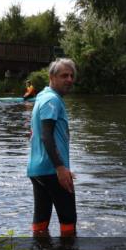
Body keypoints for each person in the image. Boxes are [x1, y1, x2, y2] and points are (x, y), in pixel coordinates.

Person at [27, 59, 78, 236]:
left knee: (41, 221)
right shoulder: (52, 100)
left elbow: (36, 132)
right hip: (52, 171)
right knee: (68, 221)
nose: (69, 79)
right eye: (64, 75)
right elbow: (46, 135)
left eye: (72, 76)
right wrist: (60, 168)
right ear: (52, 77)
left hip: (37, 170)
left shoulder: (42, 96)